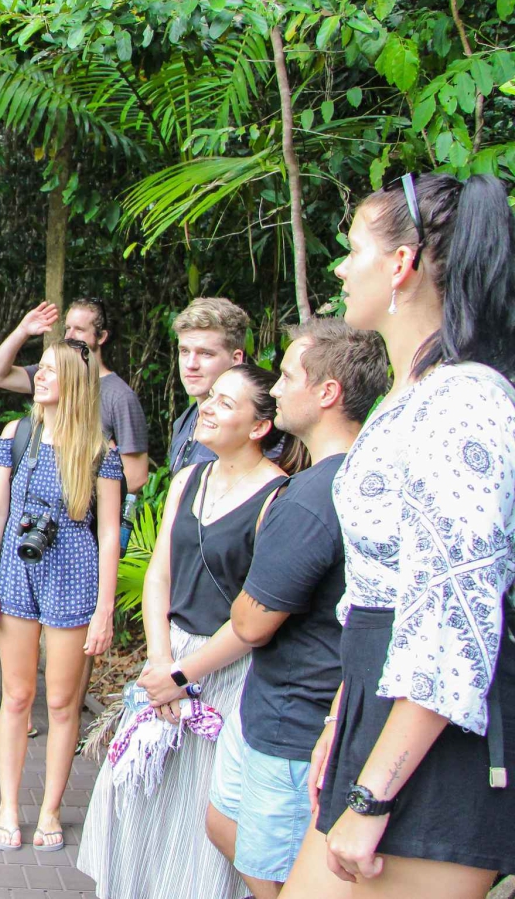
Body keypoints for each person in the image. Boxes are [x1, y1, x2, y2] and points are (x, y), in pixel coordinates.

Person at [281, 173, 515, 898]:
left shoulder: (466, 401)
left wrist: (373, 794)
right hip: (378, 713)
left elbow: (457, 613)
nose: (341, 268)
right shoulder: (409, 392)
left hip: (433, 750)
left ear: (403, 264)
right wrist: (339, 722)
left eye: (353, 250)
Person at [77, 363, 302, 899]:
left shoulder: (279, 497)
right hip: (168, 653)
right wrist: (160, 661)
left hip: (225, 669)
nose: (208, 406)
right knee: (134, 795)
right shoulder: (189, 478)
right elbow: (159, 572)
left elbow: (257, 618)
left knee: (196, 811)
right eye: (211, 397)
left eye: (226, 403)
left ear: (258, 426)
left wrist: (183, 674)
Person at [206, 320, 389, 898]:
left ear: (327, 393)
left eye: (287, 376)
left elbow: (250, 621)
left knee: (274, 876)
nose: (277, 388)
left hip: (294, 721)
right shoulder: (353, 477)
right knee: (224, 826)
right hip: (272, 704)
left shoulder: (312, 498)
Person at [0, 338, 123, 852]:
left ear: (75, 383)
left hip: (73, 571)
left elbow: (108, 533)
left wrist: (105, 609)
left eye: (51, 371)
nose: (39, 376)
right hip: (17, 566)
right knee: (17, 696)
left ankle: (51, 810)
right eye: (40, 369)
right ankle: (9, 809)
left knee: (62, 703)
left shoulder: (99, 449)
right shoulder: (17, 434)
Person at [0, 297, 149, 495]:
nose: (70, 335)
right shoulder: (49, 376)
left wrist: (84, 505)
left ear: (102, 337)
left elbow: (136, 476)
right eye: (67, 328)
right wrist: (22, 331)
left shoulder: (119, 396)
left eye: (79, 329)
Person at [167, 297, 250, 470]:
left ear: (236, 359)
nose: (190, 364)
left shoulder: (248, 428)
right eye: (184, 351)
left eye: (205, 353)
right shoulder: (184, 421)